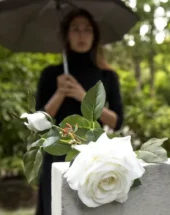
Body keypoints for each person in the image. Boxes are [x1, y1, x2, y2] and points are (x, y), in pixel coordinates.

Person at [34, 8, 124, 215]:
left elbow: (117, 121)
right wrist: (59, 93)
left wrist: (84, 97)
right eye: (75, 29)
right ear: (66, 35)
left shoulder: (107, 76)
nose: (81, 35)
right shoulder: (51, 74)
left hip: (92, 155)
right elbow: (39, 122)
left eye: (87, 30)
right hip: (56, 153)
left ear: (95, 36)